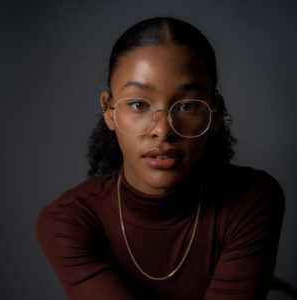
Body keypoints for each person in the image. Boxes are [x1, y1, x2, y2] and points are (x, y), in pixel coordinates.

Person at [36, 17, 285, 300]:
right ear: (109, 111)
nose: (162, 131)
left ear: (215, 112)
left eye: (188, 105)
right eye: (139, 104)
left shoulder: (252, 199)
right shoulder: (69, 222)